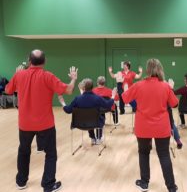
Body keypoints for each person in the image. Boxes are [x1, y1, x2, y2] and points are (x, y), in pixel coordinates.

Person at [5, 49, 78, 192]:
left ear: (29, 61)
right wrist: (74, 78)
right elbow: (69, 90)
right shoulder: (48, 76)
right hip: (45, 124)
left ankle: (21, 182)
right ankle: (48, 185)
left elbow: (8, 90)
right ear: (44, 62)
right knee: (50, 154)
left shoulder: (19, 75)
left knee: (23, 152)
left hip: (25, 124)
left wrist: (16, 74)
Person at [122, 58, 179, 192]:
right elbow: (175, 104)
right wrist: (171, 88)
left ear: (147, 70)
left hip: (143, 128)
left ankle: (144, 182)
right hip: (161, 127)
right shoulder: (165, 86)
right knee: (164, 155)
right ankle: (171, 187)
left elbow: (125, 98)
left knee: (143, 153)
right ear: (160, 69)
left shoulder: (138, 85)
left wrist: (125, 88)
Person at [58, 78, 116, 145]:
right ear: (92, 87)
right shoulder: (97, 98)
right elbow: (108, 105)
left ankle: (92, 138)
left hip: (81, 123)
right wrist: (113, 96)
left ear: (83, 87)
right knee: (97, 117)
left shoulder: (77, 99)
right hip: (96, 123)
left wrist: (62, 102)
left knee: (88, 117)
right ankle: (99, 138)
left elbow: (68, 110)